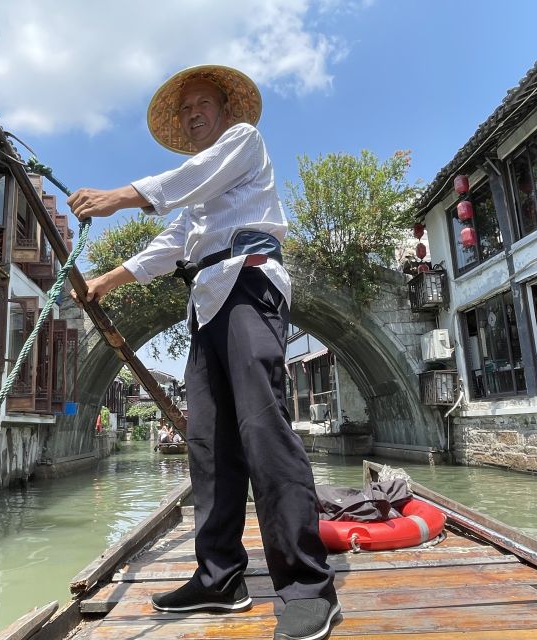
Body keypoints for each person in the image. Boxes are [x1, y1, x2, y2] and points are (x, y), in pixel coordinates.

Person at [68, 65, 339, 640]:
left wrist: (119, 196)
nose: (193, 115)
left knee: (263, 429)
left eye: (202, 104)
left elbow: (188, 182)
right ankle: (220, 577)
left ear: (224, 111)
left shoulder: (243, 144)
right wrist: (106, 282)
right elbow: (170, 246)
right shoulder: (198, 203)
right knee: (208, 444)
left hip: (249, 285)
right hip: (206, 303)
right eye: (185, 109)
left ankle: (307, 585)